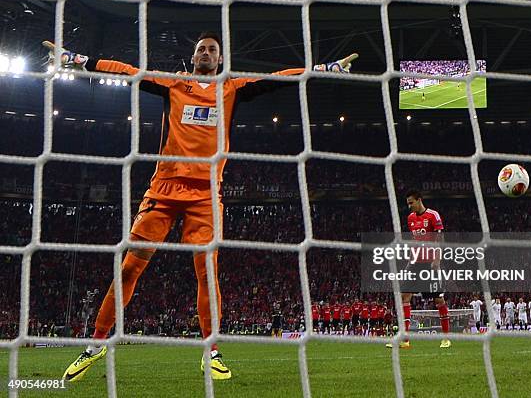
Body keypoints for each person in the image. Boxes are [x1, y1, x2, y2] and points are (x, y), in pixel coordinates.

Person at [45, 34, 358, 382]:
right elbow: (127, 71)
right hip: (163, 190)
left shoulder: (233, 88)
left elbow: (280, 78)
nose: (206, 53)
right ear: (192, 58)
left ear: (220, 60)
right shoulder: (173, 85)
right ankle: (95, 344)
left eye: (212, 49)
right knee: (129, 268)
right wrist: (79, 60)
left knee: (207, 272)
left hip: (206, 195)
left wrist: (322, 68)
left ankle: (212, 351)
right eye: (201, 49)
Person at [386, 190, 450, 349]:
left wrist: (437, 259)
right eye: (408, 203)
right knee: (404, 297)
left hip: (431, 263)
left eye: (411, 203)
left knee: (438, 299)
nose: (409, 206)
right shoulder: (411, 218)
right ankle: (405, 340)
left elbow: (439, 239)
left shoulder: (433, 216)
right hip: (415, 262)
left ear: (419, 200)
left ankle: (446, 338)